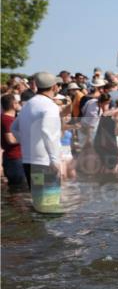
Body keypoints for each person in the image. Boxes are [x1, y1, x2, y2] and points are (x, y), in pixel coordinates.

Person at [11, 72, 65, 212]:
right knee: (50, 206)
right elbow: (48, 132)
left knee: (39, 205)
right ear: (54, 87)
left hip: (29, 162)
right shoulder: (50, 106)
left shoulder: (28, 105)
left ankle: (37, 232)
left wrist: (27, 142)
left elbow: (14, 128)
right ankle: (47, 233)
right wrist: (54, 160)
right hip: (45, 163)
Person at [1, 93, 27, 189]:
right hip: (14, 159)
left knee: (21, 189)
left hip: (17, 158)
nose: (19, 105)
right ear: (13, 104)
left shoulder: (11, 118)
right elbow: (10, 140)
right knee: (18, 190)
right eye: (17, 103)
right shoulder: (6, 119)